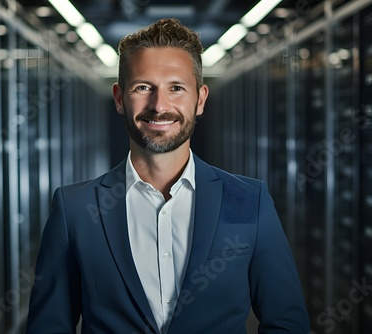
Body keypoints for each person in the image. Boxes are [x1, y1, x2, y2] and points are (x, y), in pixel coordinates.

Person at [26, 18, 310, 334]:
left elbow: (287, 324)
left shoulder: (248, 201)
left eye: (176, 88)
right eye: (143, 87)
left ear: (200, 99)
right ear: (120, 98)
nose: (159, 105)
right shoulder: (74, 209)